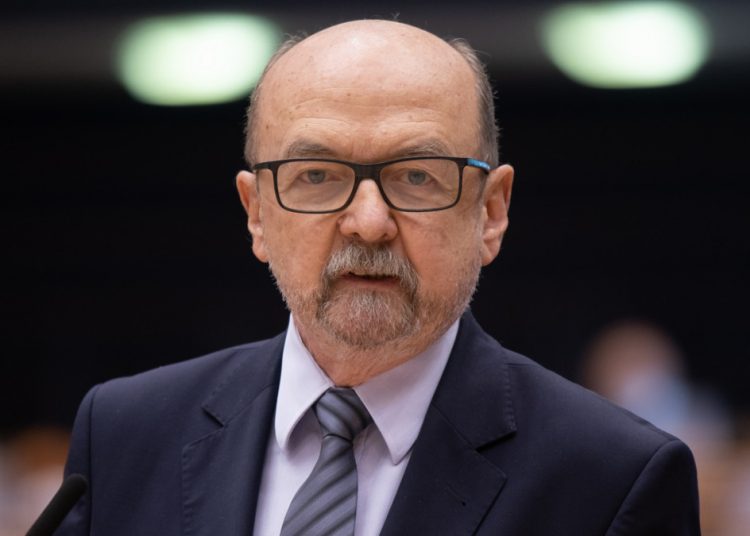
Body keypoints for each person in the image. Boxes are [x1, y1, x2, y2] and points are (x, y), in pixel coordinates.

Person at [57, 19, 700, 535]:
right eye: (316, 176)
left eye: (417, 176)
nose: (368, 223)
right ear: (256, 214)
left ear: (491, 213)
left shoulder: (611, 477)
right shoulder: (123, 435)